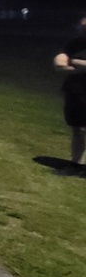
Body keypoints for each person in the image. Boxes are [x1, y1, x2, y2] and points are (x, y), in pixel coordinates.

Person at [53, 13, 86, 176]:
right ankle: (76, 164)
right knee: (76, 129)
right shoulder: (74, 43)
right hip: (75, 91)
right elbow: (60, 62)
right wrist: (65, 62)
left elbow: (69, 62)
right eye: (82, 26)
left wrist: (74, 62)